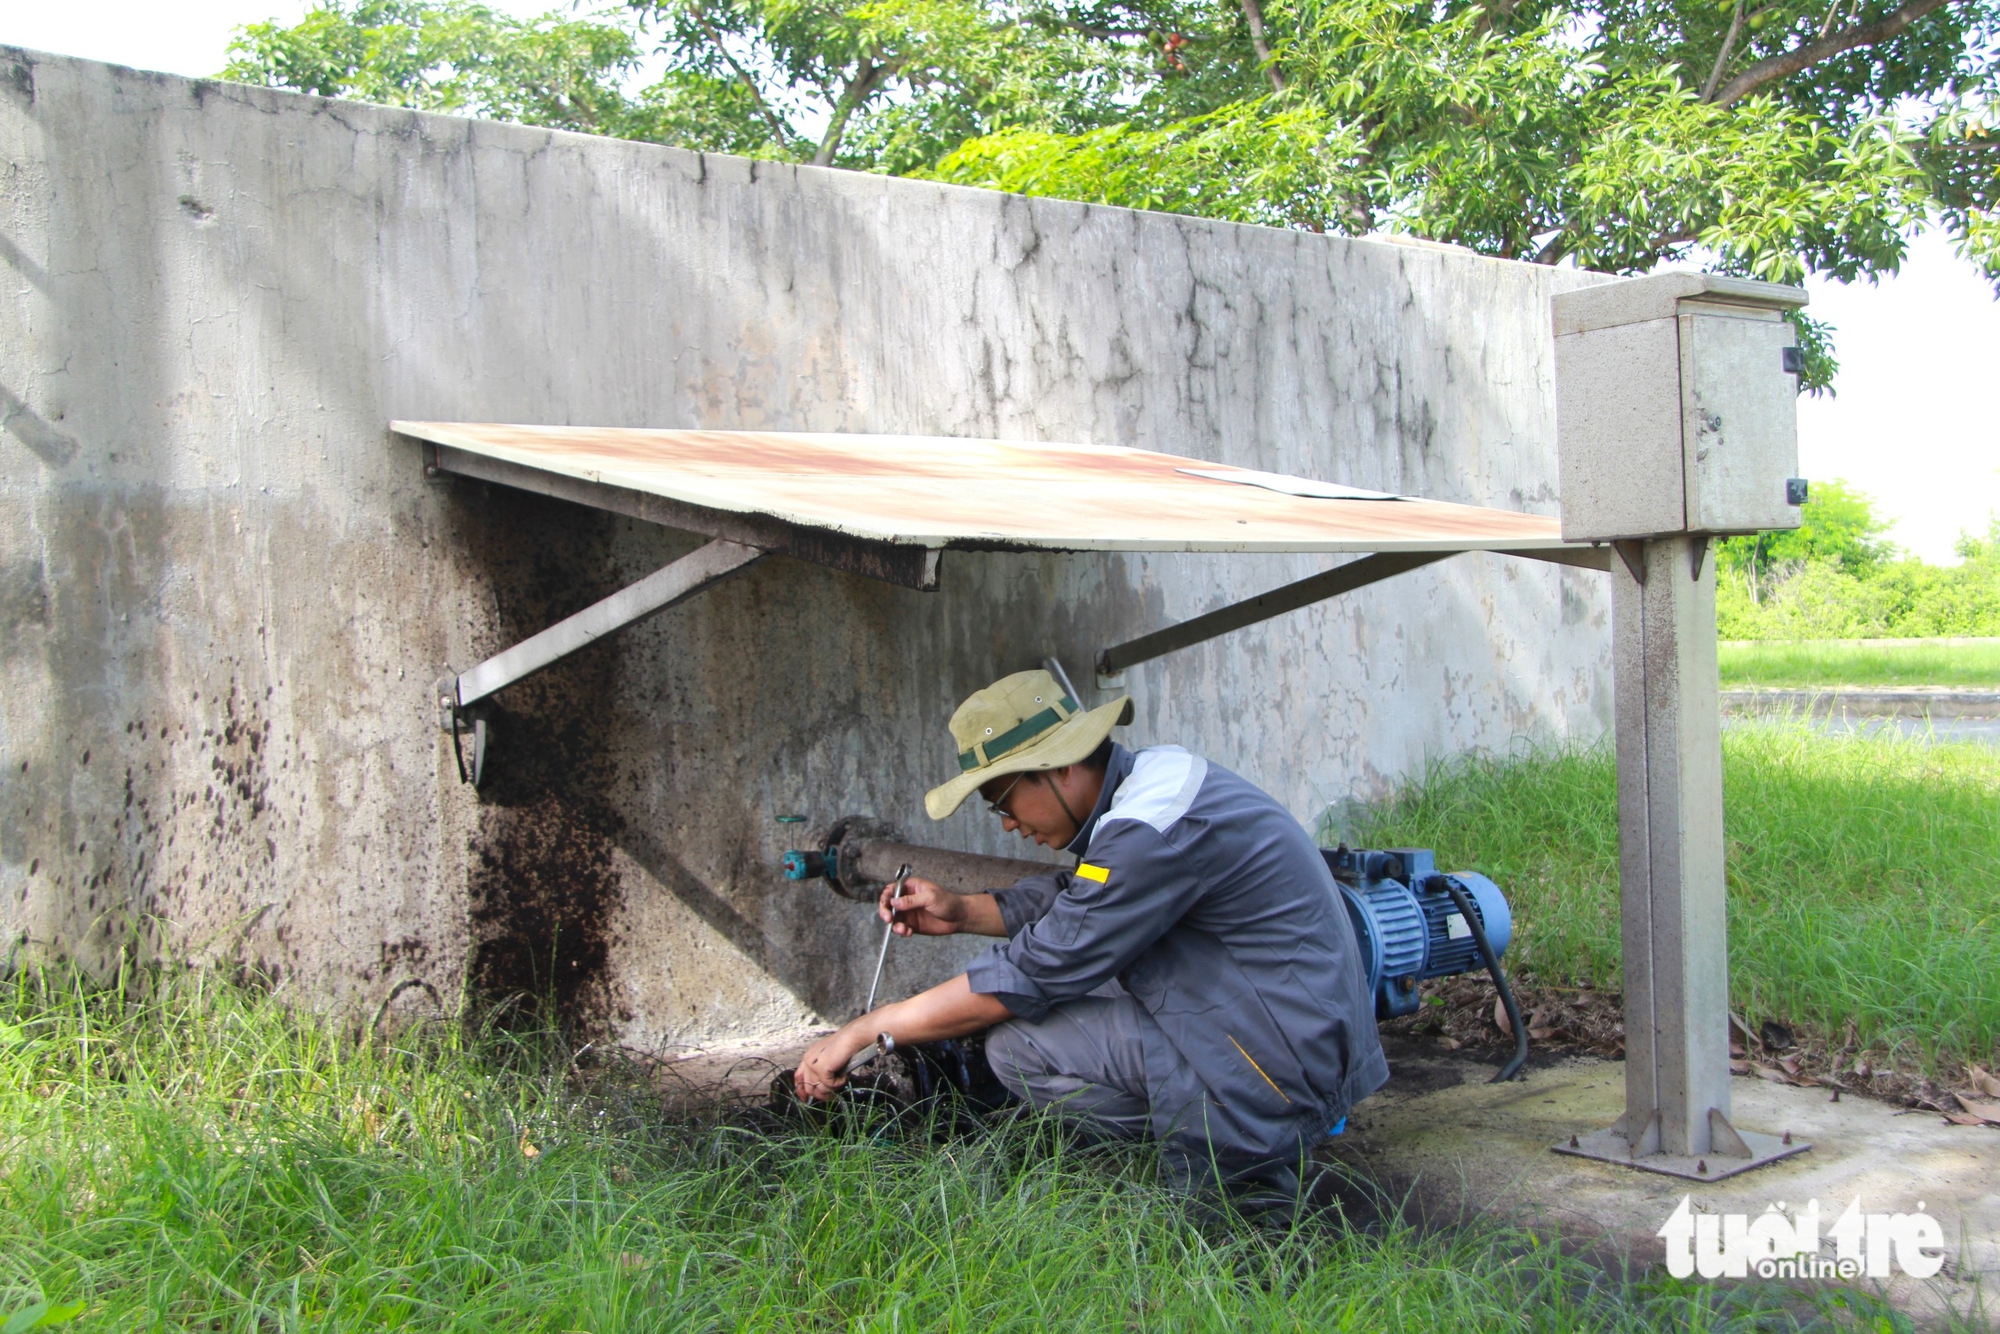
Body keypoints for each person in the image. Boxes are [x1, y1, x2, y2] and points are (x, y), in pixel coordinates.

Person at [794, 669, 1387, 1201]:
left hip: (1283, 1054)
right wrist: (961, 911)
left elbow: (1036, 968)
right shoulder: (1152, 780)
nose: (1008, 824)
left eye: (1003, 800)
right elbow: (1082, 899)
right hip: (1291, 1019)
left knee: (1018, 1045)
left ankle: (1240, 1144)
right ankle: (1226, 1111)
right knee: (1041, 1016)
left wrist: (866, 1029)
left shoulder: (1148, 830)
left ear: (1060, 766)